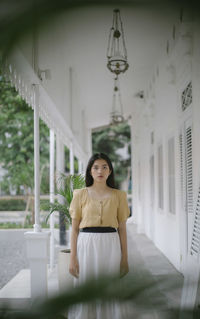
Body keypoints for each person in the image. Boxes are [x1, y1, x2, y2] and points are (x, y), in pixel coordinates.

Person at [68, 152, 130, 319]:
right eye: (95, 167)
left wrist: (124, 258)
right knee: (87, 284)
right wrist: (72, 257)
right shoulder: (79, 194)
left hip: (111, 244)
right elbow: (74, 230)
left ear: (110, 171)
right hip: (86, 244)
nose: (100, 171)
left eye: (104, 167)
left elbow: (122, 229)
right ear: (90, 171)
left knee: (111, 285)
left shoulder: (119, 196)